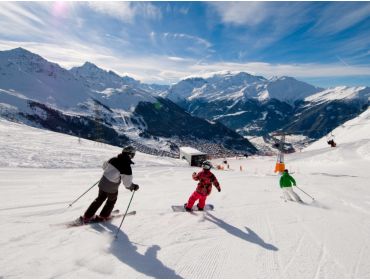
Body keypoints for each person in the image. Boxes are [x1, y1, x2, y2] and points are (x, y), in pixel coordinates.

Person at [80, 146, 139, 223]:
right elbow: (127, 184)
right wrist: (133, 187)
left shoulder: (113, 159)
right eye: (133, 155)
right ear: (130, 155)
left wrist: (109, 173)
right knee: (111, 200)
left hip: (103, 183)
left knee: (99, 199)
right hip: (112, 187)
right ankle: (103, 216)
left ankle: (87, 216)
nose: (133, 156)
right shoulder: (126, 166)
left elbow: (104, 166)